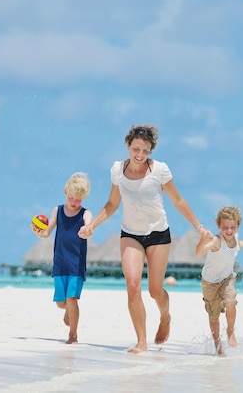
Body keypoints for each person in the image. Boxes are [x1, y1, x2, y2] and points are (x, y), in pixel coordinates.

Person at [79, 125, 213, 353]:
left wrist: (198, 227)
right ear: (128, 145)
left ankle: (165, 316)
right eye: (136, 149)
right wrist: (92, 225)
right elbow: (112, 204)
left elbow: (178, 201)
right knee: (132, 286)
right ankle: (141, 341)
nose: (140, 154)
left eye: (145, 150)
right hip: (130, 234)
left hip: (159, 235)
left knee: (155, 291)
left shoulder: (159, 170)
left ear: (151, 151)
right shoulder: (117, 171)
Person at [31, 172, 93, 345]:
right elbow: (47, 233)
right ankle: (68, 311)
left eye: (78, 200)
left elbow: (90, 224)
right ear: (65, 191)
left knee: (72, 298)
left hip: (76, 262)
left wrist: (88, 228)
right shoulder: (57, 211)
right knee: (61, 303)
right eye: (72, 198)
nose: (74, 203)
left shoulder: (85, 213)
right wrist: (38, 232)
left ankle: (73, 335)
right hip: (60, 262)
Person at [195, 206, 243, 355]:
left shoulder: (235, 238)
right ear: (219, 226)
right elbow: (198, 253)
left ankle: (230, 331)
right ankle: (218, 346)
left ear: (237, 226)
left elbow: (237, 247)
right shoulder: (217, 241)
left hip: (227, 278)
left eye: (232, 227)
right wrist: (202, 240)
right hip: (210, 283)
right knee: (214, 315)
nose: (229, 231)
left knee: (231, 302)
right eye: (225, 228)